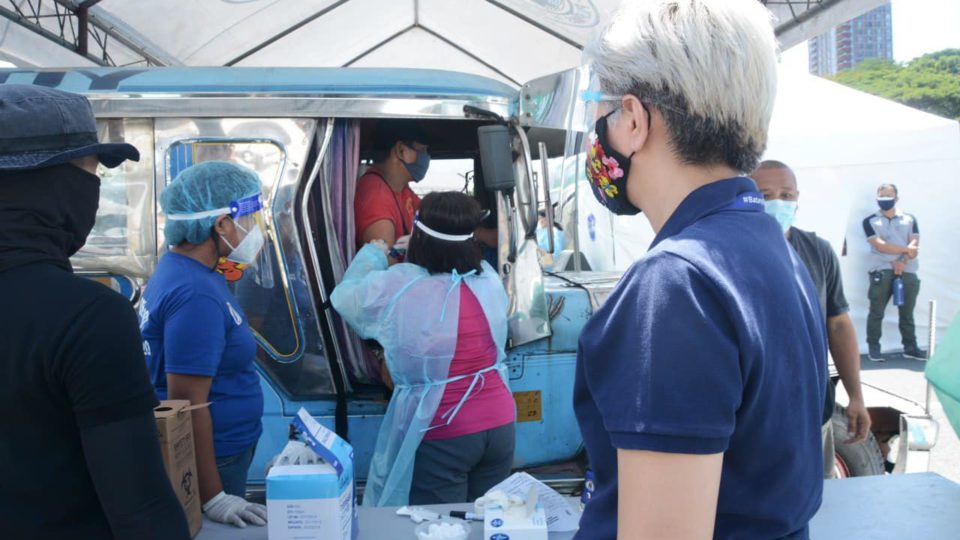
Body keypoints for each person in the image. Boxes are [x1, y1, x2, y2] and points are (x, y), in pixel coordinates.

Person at [574, 1, 827, 539]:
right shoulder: (771, 247)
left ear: (634, 119)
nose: (597, 134)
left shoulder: (676, 283)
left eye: (600, 111)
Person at [0, 84, 190, 539]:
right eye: (90, 173)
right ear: (51, 185)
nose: (96, 192)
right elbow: (141, 508)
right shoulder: (88, 317)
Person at [332, 192, 515, 507]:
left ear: (419, 237)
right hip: (500, 423)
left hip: (445, 426)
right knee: (488, 522)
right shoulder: (487, 277)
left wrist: (374, 253)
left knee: (438, 527)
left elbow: (346, 297)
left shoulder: (399, 284)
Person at [140, 161, 268, 529]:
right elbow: (187, 402)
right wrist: (215, 497)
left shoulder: (184, 270)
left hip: (227, 449)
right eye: (251, 218)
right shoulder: (195, 293)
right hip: (218, 459)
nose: (255, 229)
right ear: (222, 224)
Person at [754, 160, 872, 479]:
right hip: (753, 419)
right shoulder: (730, 251)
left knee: (818, 502)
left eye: (786, 194)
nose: (777, 202)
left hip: (812, 412)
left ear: (797, 199)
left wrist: (856, 396)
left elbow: (837, 324)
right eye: (764, 195)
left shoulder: (817, 251)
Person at [862, 183, 924, 360]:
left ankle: (910, 347)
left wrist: (903, 261)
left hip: (908, 269)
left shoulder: (909, 219)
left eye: (889, 195)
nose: (885, 199)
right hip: (881, 270)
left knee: (907, 312)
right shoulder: (870, 221)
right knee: (876, 311)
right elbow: (880, 246)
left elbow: (915, 243)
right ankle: (874, 348)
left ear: (897, 198)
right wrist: (905, 252)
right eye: (881, 195)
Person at [355, 120, 431, 260]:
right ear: (401, 150)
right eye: (422, 150)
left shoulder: (400, 188)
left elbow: (437, 217)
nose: (427, 157)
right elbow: (386, 268)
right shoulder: (376, 197)